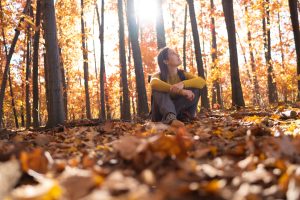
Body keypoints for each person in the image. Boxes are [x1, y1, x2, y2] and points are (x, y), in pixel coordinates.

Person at [150, 47, 206, 127]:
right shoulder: (158, 76)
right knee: (159, 89)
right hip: (160, 115)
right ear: (166, 61)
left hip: (178, 113)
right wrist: (180, 91)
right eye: (173, 53)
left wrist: (182, 84)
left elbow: (202, 82)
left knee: (195, 88)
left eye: (176, 53)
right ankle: (170, 118)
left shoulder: (183, 74)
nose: (177, 55)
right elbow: (154, 83)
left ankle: (186, 117)